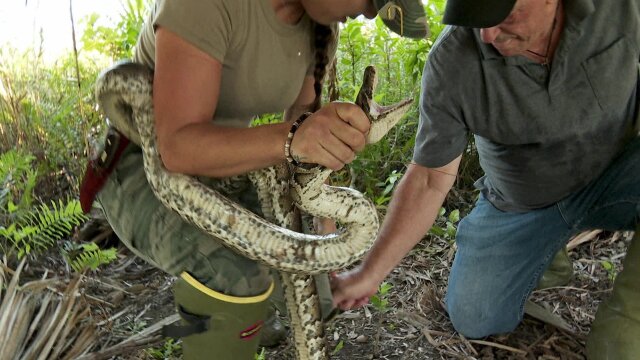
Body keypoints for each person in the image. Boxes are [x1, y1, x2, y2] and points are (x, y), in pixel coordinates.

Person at [82, 0, 428, 359]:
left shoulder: (321, 26)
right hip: (144, 165)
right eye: (371, 0)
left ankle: (249, 321)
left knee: (319, 295)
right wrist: (295, 136)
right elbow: (178, 148)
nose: (370, 13)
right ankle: (230, 323)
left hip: (228, 167)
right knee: (237, 278)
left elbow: (303, 135)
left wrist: (322, 228)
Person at [330, 0, 640, 358]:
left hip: (617, 177)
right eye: (478, 20)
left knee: (624, 341)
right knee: (475, 316)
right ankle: (546, 253)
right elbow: (430, 178)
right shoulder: (454, 61)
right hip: (523, 204)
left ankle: (627, 323)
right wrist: (370, 273)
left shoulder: (618, 8)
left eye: (505, 17)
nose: (489, 35)